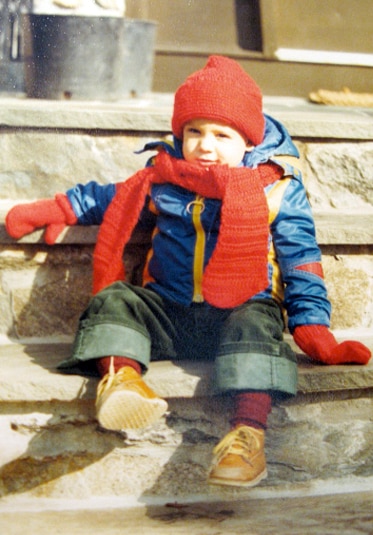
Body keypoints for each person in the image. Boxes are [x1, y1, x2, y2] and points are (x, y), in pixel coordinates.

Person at [5, 56, 371, 488]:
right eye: (193, 131)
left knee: (258, 325)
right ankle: (121, 381)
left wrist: (312, 326)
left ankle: (247, 434)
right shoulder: (164, 176)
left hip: (239, 308)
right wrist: (61, 207)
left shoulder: (275, 189)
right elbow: (113, 197)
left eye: (221, 134)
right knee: (116, 300)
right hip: (169, 305)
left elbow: (301, 258)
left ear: (248, 141)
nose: (205, 146)